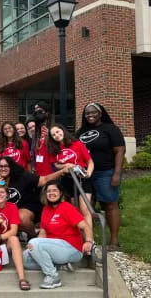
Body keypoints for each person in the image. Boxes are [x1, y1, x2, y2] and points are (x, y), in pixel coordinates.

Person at [23, 180, 94, 289]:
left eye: (55, 190)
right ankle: (60, 266)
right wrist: (34, 247)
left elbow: (85, 226)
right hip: (54, 249)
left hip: (71, 248)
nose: (51, 193)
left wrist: (89, 241)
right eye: (49, 191)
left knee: (34, 243)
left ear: (60, 193)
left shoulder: (67, 207)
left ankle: (53, 276)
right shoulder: (46, 209)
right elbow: (43, 232)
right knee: (25, 257)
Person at [76, 102, 125, 251]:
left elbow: (120, 151)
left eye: (93, 113)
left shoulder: (110, 129)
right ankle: (88, 240)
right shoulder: (80, 133)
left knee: (109, 204)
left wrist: (116, 173)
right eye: (87, 113)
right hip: (85, 175)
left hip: (105, 173)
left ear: (100, 113)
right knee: (86, 207)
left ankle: (114, 241)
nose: (90, 115)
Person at [0, 156, 69, 240]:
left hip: (28, 208)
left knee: (21, 217)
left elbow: (44, 180)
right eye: (0, 166)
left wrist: (61, 171)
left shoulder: (22, 177)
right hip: (7, 211)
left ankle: (33, 236)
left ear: (11, 167)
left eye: (6, 166)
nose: (3, 169)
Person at [0, 182, 30, 290]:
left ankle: (22, 278)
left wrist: (0, 237)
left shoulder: (12, 207)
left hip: (3, 241)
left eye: (2, 192)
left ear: (7, 195)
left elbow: (14, 230)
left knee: (14, 239)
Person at [48, 123, 94, 230]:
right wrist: (65, 165)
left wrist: (88, 174)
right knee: (75, 210)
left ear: (63, 130)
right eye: (53, 135)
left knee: (84, 209)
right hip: (68, 180)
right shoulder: (54, 149)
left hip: (82, 178)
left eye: (58, 132)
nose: (57, 135)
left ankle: (90, 239)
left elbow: (90, 161)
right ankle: (79, 237)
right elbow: (55, 164)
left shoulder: (77, 144)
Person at [30, 102, 53, 177]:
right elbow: (33, 151)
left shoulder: (55, 129)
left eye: (40, 111)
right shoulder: (36, 132)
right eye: (35, 113)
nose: (38, 114)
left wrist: (50, 135)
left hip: (52, 170)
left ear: (47, 113)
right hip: (39, 170)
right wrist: (33, 165)